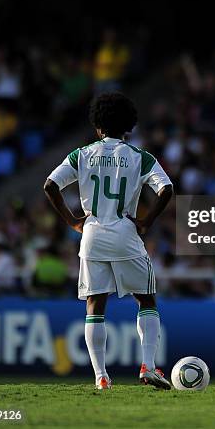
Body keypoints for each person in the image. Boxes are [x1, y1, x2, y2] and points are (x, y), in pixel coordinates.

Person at [44, 92, 173, 390]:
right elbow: (166, 189)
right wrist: (146, 221)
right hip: (126, 233)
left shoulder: (82, 154)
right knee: (146, 298)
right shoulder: (140, 157)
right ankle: (148, 366)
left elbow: (50, 185)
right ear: (128, 126)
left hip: (92, 234)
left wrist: (72, 220)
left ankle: (101, 376)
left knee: (95, 305)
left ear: (98, 125)